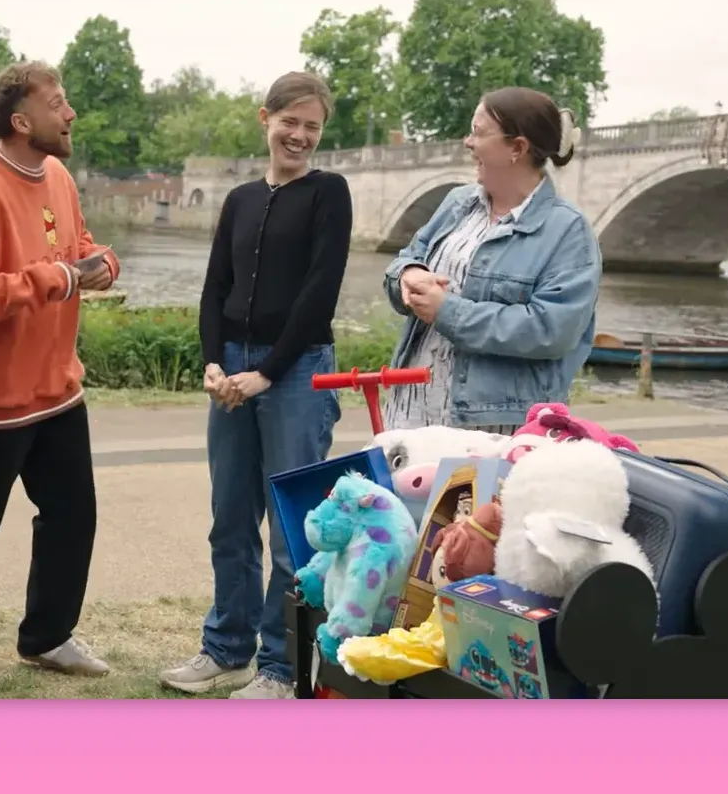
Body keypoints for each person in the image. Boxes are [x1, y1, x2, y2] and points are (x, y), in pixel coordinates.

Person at [160, 71, 353, 700]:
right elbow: (215, 286)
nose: (298, 136)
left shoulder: (330, 193)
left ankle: (281, 664)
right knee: (229, 517)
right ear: (264, 118)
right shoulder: (241, 199)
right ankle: (226, 649)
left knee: (292, 526)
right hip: (233, 369)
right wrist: (214, 363)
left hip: (295, 369)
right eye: (289, 121)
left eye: (312, 126)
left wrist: (266, 372)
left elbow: (318, 291)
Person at [0, 60, 122, 696]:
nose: (70, 114)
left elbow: (76, 245)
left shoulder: (59, 176)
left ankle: (46, 636)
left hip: (58, 389)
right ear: (22, 121)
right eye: (58, 104)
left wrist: (98, 263)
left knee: (74, 515)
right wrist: (60, 279)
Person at [382, 86, 602, 436]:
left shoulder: (568, 231)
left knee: (474, 494)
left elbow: (552, 330)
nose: (468, 142)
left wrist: (447, 311)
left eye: (478, 133)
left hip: (490, 428)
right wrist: (408, 276)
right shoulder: (458, 203)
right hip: (409, 410)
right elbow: (407, 258)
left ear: (517, 148)